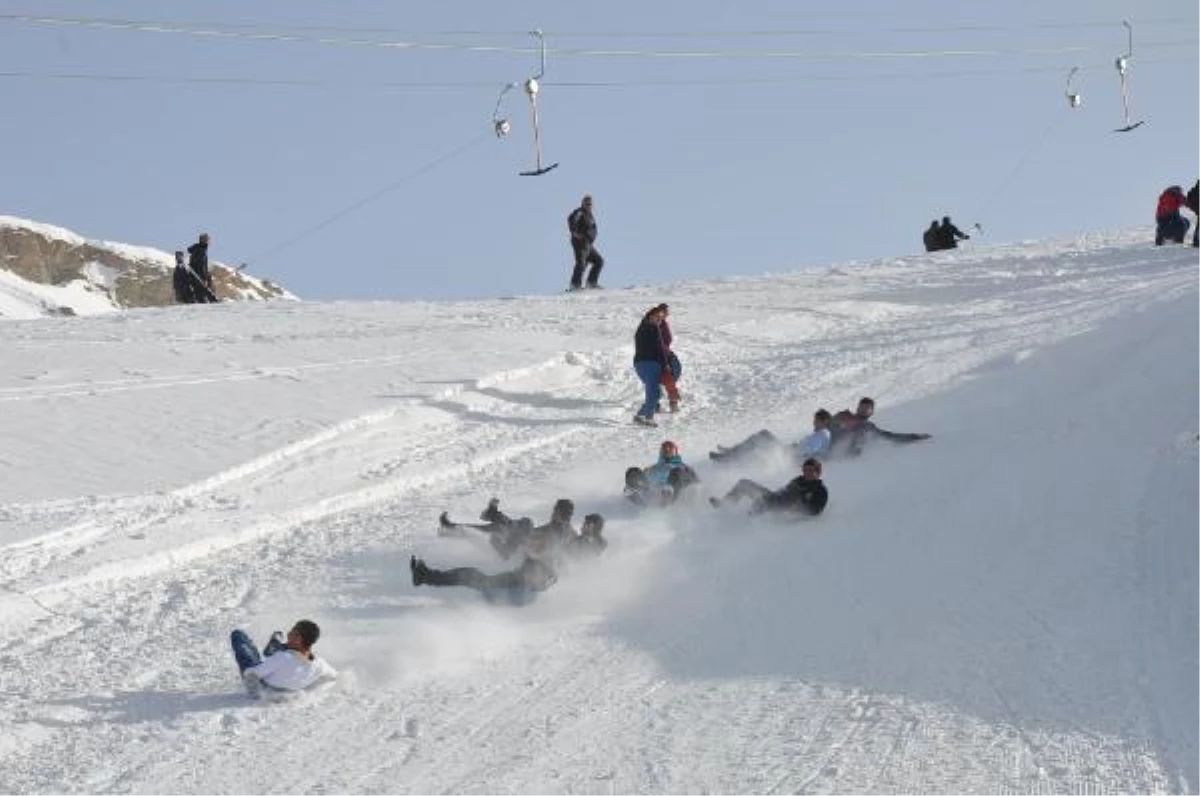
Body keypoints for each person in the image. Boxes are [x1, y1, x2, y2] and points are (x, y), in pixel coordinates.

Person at [231, 620, 336, 698]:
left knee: (238, 635)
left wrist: (257, 696)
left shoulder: (283, 657)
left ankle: (275, 645)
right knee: (290, 651)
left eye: (292, 633)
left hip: (266, 685)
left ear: (298, 639)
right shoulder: (320, 664)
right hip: (291, 678)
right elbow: (333, 676)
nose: (288, 634)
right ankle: (276, 645)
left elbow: (252, 674)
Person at [410, 553, 558, 606]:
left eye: (536, 573)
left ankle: (423, 577)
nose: (530, 573)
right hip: (489, 583)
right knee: (464, 574)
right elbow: (529, 562)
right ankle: (425, 574)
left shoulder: (528, 592)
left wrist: (488, 596)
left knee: (465, 574)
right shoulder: (528, 581)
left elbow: (509, 602)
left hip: (489, 587)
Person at [709, 457, 829, 517]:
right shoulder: (799, 480)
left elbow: (815, 511)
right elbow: (785, 490)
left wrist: (797, 506)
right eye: (805, 470)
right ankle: (725, 504)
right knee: (744, 483)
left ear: (818, 472)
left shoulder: (820, 490)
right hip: (773, 499)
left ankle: (745, 522)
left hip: (780, 510)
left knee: (757, 508)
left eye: (811, 470)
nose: (807, 473)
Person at [709, 409, 833, 465]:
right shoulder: (820, 434)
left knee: (763, 436)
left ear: (823, 422)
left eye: (816, 421)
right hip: (791, 452)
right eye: (814, 420)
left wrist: (793, 449)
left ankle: (729, 456)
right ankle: (732, 453)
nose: (813, 423)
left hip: (791, 455)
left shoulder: (823, 434)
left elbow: (809, 450)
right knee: (761, 438)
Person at [829, 397, 931, 457]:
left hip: (845, 455)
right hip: (827, 448)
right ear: (857, 408)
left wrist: (914, 437)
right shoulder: (844, 415)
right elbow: (825, 427)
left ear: (872, 412)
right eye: (862, 407)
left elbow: (889, 436)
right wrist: (839, 425)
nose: (864, 410)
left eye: (868, 408)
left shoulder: (869, 427)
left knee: (866, 428)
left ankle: (852, 454)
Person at [625, 440, 700, 507]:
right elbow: (645, 479)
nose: (667, 451)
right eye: (665, 449)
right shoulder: (653, 468)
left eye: (670, 449)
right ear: (661, 452)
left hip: (677, 492)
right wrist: (636, 478)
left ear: (676, 452)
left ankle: (669, 494)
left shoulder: (683, 466)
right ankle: (634, 493)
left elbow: (696, 481)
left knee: (676, 472)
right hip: (657, 493)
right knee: (633, 471)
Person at [633, 306, 668, 427]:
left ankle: (640, 415)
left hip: (640, 364)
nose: (660, 320)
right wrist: (665, 364)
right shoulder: (653, 327)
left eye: (661, 318)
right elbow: (660, 348)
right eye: (657, 317)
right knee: (654, 393)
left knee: (656, 393)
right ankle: (648, 418)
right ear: (651, 316)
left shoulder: (641, 327)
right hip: (651, 364)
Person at [567, 195, 604, 290]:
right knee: (581, 263)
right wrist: (574, 232)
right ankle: (575, 285)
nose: (588, 205)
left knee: (599, 261)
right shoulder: (579, 212)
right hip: (579, 242)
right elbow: (571, 219)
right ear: (582, 204)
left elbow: (593, 229)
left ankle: (591, 282)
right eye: (586, 203)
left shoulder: (590, 215)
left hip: (588, 244)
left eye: (590, 204)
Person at [656, 303, 683, 412]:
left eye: (667, 312)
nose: (667, 313)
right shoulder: (656, 323)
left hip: (664, 352)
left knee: (666, 377)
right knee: (667, 377)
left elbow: (667, 339)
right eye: (665, 311)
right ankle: (672, 404)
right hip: (659, 354)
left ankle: (659, 404)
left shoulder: (663, 322)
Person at [187, 232, 218, 302]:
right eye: (207, 240)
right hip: (198, 276)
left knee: (200, 294)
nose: (209, 242)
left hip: (194, 275)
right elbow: (201, 265)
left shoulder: (197, 248)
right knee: (202, 293)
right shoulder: (201, 250)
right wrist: (205, 277)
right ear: (203, 240)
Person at [1187, 180, 1200, 247]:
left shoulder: (1194, 189)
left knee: (1198, 226)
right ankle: (1197, 242)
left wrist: (1194, 209)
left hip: (1197, 208)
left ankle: (1196, 242)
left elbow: (1188, 199)